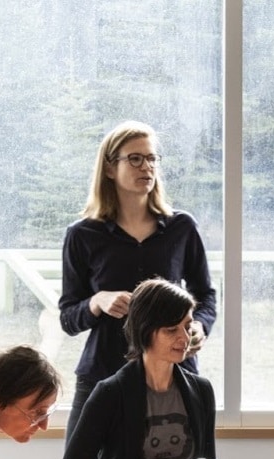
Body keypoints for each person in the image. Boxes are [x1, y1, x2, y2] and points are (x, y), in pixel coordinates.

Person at [59, 121, 218, 435]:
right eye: (135, 158)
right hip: (103, 372)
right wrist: (97, 301)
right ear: (108, 168)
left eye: (152, 158)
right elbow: (67, 318)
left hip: (174, 372)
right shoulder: (82, 235)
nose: (146, 166)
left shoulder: (182, 227)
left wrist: (198, 326)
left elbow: (206, 296)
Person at [58, 279, 234, 459]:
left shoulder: (201, 390)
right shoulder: (110, 393)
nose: (185, 338)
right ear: (145, 331)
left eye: (187, 327)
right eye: (172, 330)